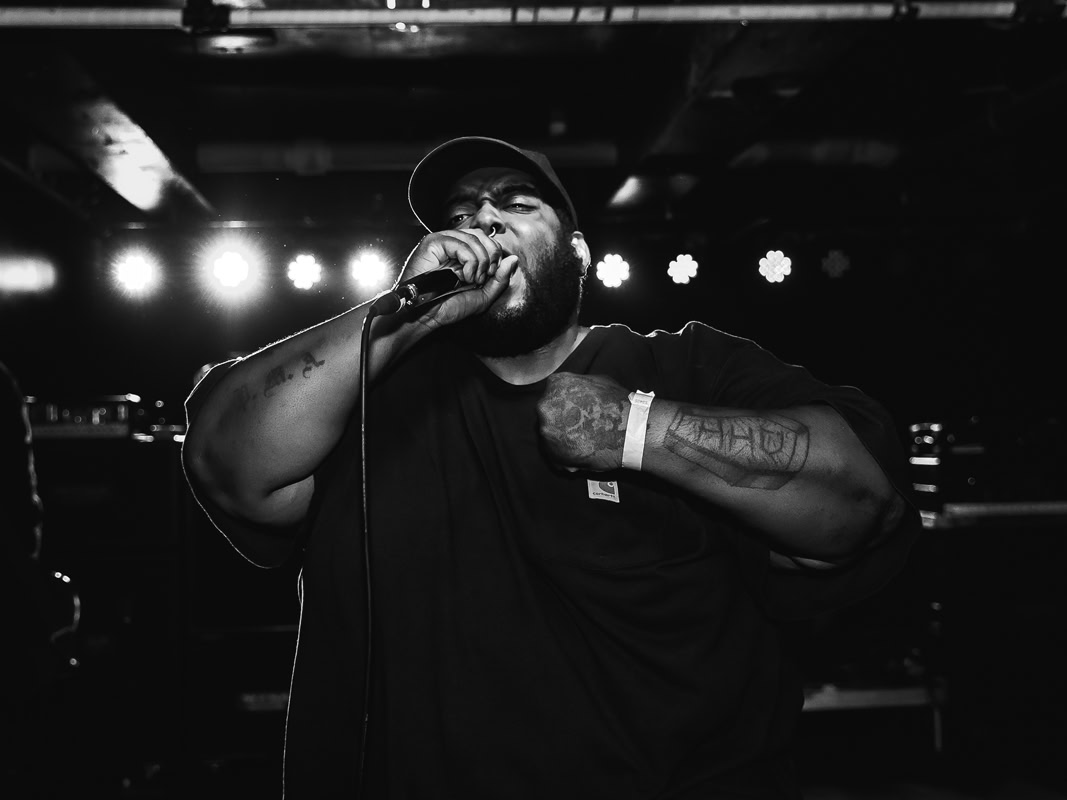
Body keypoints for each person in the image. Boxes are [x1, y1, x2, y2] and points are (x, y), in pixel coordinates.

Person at [182, 136, 921, 799]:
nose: (483, 220)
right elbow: (224, 461)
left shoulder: (684, 366)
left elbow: (860, 503)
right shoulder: (371, 394)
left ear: (579, 250)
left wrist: (632, 429)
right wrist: (411, 314)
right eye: (462, 213)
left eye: (516, 204)